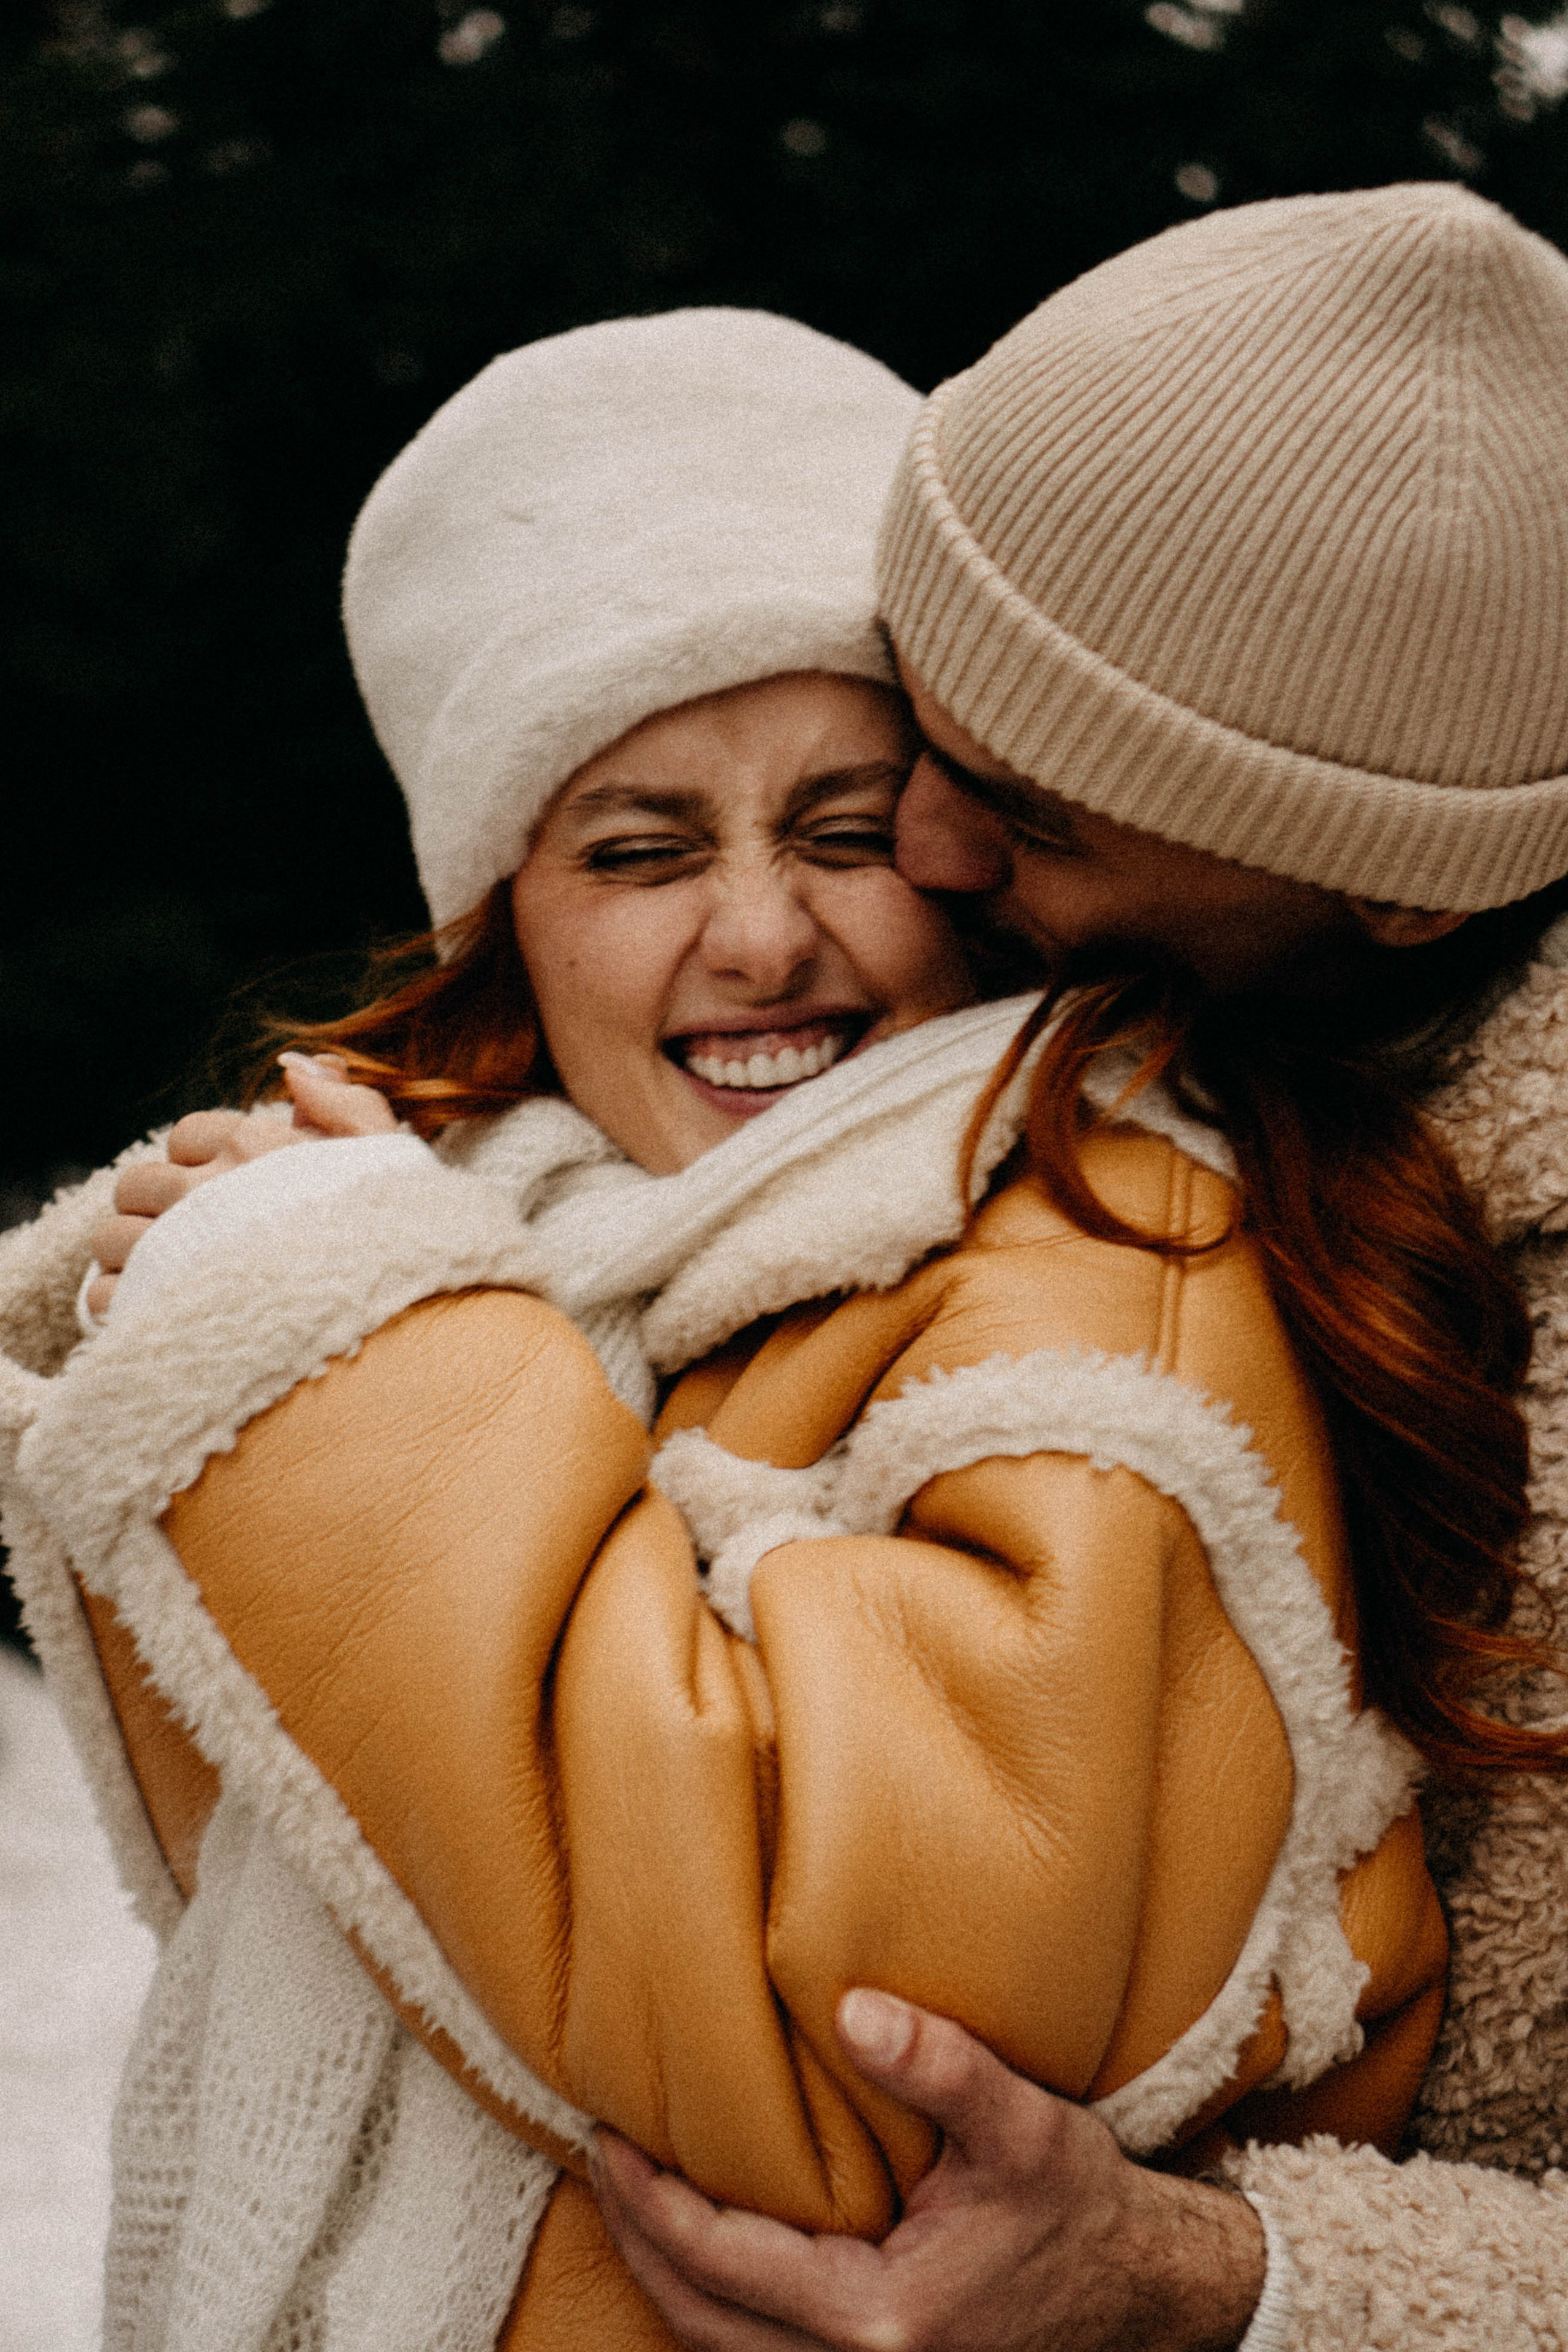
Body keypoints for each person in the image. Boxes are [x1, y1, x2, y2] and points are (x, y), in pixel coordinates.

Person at [0, 300, 1455, 2352]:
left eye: (847, 832)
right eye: (640, 849)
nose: (763, 933)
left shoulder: (1107, 1253)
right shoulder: (569, 1251)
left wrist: (334, 1358)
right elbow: (375, 1862)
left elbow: (853, 2067)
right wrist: (290, 1292)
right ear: (503, 917)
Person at [585, 181, 1568, 2351]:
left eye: (1034, 815)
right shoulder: (1095, 1011)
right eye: (918, 714)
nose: (917, 847)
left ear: (1398, 894)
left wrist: (1197, 2275)